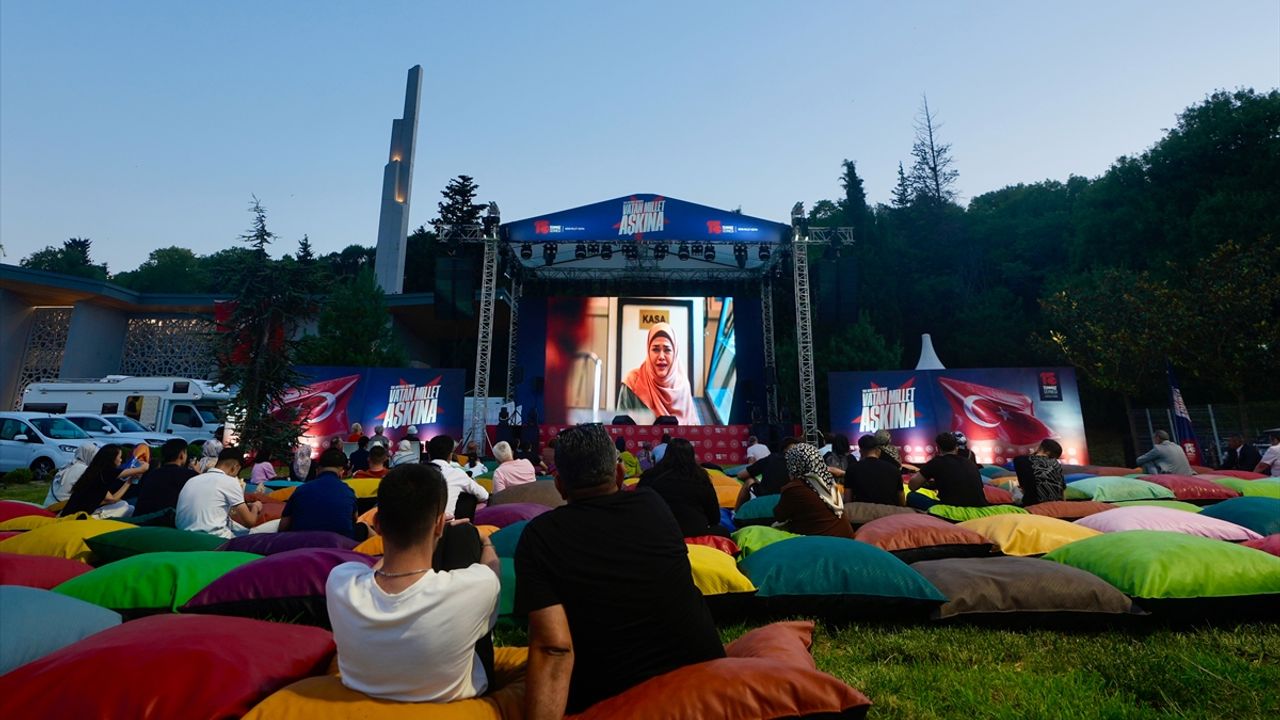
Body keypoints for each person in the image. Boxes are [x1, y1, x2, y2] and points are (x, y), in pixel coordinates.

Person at [515, 424, 724, 718]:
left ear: (559, 484)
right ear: (619, 473)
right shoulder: (653, 504)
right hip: (704, 687)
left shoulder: (539, 536)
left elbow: (553, 647)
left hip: (607, 701)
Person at [327, 463, 501, 702]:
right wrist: (484, 540)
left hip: (361, 689)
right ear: (439, 524)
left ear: (377, 523)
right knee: (463, 535)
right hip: (455, 696)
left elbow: (377, 570)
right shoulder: (473, 588)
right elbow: (492, 571)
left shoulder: (340, 581)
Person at [637, 438, 724, 538]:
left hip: (656, 533)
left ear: (667, 454)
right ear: (692, 456)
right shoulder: (701, 478)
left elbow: (638, 507)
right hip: (695, 534)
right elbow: (714, 518)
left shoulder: (650, 476)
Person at [616, 322, 698, 425]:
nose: (661, 357)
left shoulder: (683, 387)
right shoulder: (632, 382)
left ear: (675, 353)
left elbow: (692, 428)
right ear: (648, 351)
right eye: (655, 349)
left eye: (667, 350)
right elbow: (620, 429)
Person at [176, 447, 263, 538]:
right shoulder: (230, 481)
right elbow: (250, 522)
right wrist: (256, 507)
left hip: (183, 535)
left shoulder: (192, 480)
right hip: (213, 538)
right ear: (235, 468)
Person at [774, 443, 854, 538]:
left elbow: (779, 516)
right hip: (846, 537)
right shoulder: (828, 481)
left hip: (823, 541)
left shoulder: (795, 488)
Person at [280, 448, 363, 539]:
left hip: (301, 544)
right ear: (341, 472)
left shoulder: (300, 490)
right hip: (340, 545)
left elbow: (283, 526)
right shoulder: (348, 492)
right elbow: (354, 518)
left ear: (318, 469)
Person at [909, 433, 988, 507]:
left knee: (912, 496)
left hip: (952, 508)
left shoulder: (936, 462)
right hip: (980, 507)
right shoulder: (969, 462)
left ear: (937, 448)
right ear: (956, 448)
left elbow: (912, 486)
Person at [60, 445, 134, 518]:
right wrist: (130, 480)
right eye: (120, 457)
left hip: (66, 509)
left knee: (122, 504)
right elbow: (111, 499)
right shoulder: (89, 471)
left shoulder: (73, 466)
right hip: (78, 515)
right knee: (127, 507)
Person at [427, 435, 490, 520]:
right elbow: (484, 495)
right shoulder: (457, 474)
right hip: (447, 525)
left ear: (429, 455)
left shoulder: (414, 473)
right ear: (450, 455)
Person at [133, 438, 198, 518]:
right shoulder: (190, 476)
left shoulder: (152, 474)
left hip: (139, 519)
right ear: (181, 455)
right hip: (166, 521)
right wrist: (198, 472)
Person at [734, 437, 798, 508]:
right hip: (790, 498)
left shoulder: (769, 458)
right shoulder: (800, 463)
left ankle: (737, 512)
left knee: (749, 481)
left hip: (766, 496)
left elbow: (741, 474)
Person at [845, 435, 905, 506]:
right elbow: (901, 501)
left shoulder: (851, 469)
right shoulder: (894, 469)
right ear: (878, 451)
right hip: (888, 511)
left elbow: (847, 500)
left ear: (860, 451)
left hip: (861, 511)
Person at [1012, 439, 1066, 506]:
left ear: (1041, 448)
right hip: (1057, 505)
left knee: (1015, 489)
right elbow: (1062, 490)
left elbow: (1022, 485)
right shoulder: (1056, 463)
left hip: (1033, 504)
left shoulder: (1020, 460)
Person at [45, 441, 98, 506]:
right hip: (61, 507)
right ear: (89, 455)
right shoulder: (84, 469)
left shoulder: (68, 465)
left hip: (48, 505)